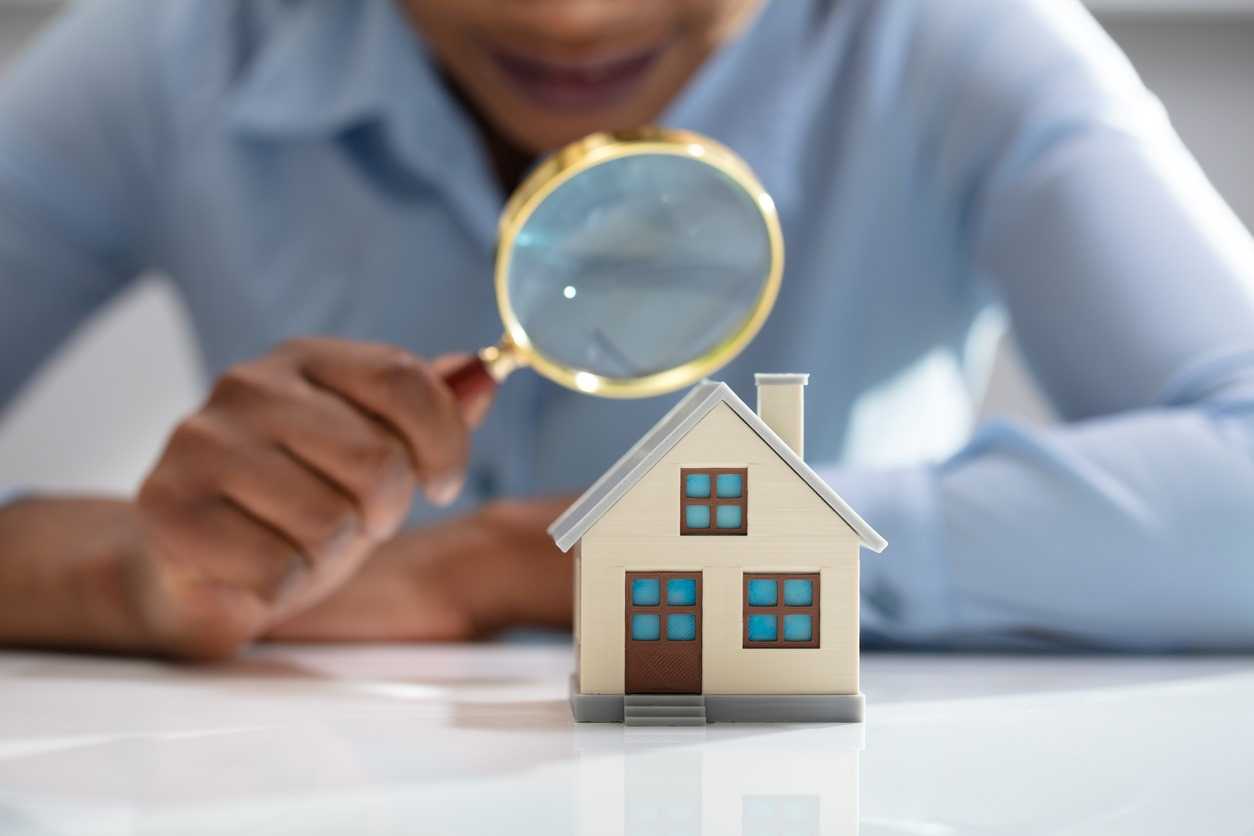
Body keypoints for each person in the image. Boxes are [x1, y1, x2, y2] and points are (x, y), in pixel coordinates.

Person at [1, 0, 1252, 659]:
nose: (568, 19)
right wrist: (133, 574)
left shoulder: (951, 35)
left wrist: (506, 559)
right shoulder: (178, 39)